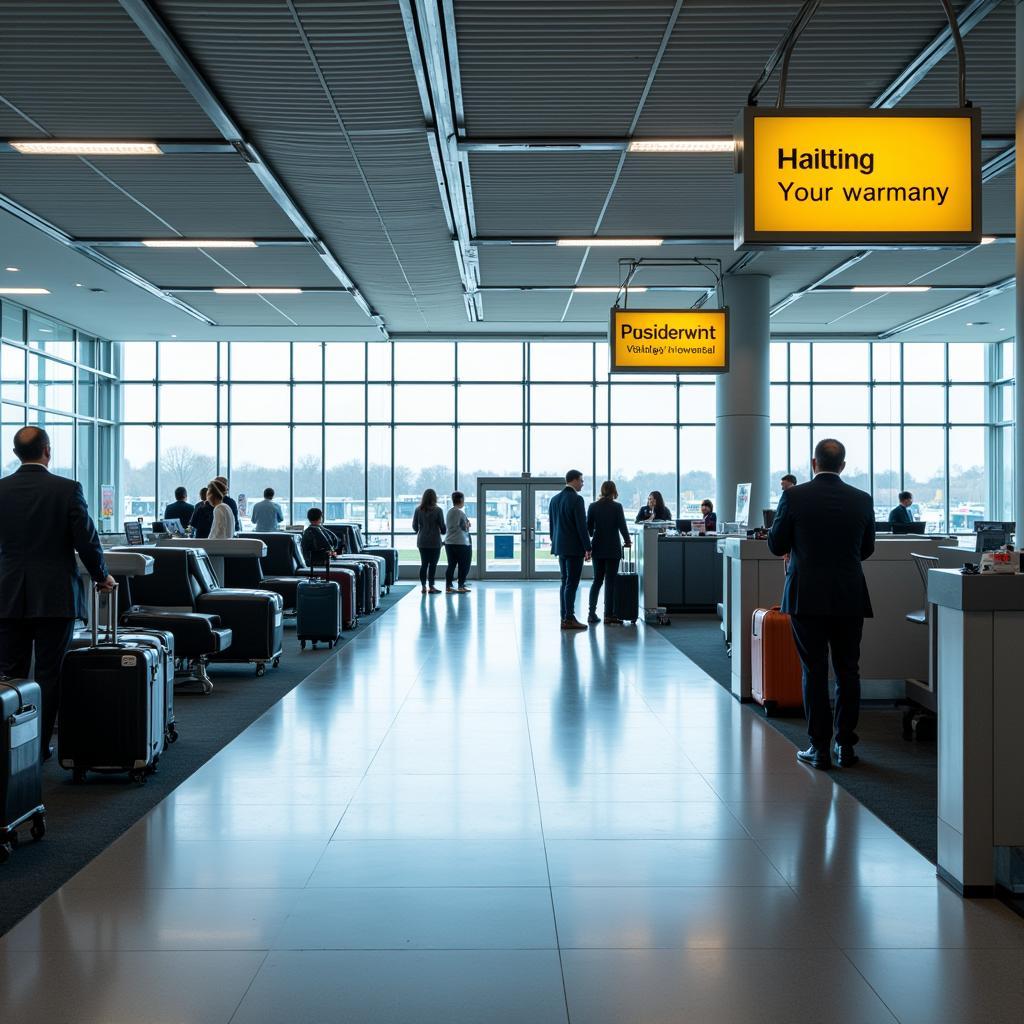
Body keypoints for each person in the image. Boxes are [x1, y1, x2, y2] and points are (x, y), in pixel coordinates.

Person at [0, 426, 115, 760]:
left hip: (7, 594)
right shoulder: (66, 489)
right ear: (47, 450)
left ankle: (10, 745)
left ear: (15, 453)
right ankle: (38, 746)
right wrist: (102, 576)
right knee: (50, 672)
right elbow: (86, 541)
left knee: (10, 672)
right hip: (54, 596)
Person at [767, 438, 875, 771]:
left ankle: (819, 748)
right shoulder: (862, 500)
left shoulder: (794, 496)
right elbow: (867, 548)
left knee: (813, 671)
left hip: (806, 595)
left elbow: (776, 544)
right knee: (848, 670)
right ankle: (845, 746)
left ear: (814, 463)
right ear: (842, 466)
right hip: (849, 594)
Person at [549, 469, 592, 630]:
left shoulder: (554, 500)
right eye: (581, 480)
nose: (582, 483)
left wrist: (556, 542)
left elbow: (552, 526)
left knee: (564, 582)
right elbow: (582, 527)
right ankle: (569, 618)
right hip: (574, 549)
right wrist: (588, 547)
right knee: (572, 583)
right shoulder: (577, 499)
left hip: (561, 547)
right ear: (573, 480)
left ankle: (564, 616)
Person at [586, 480, 630, 625]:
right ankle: (608, 615)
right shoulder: (617, 507)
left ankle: (591, 613)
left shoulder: (593, 506)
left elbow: (589, 529)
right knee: (610, 582)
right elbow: (622, 526)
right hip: (612, 548)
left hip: (597, 548)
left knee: (597, 581)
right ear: (614, 491)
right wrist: (628, 541)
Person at [412, 488, 446, 594]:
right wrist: (442, 530)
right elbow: (443, 529)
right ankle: (431, 587)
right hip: (435, 542)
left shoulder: (418, 510)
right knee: (433, 565)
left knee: (424, 564)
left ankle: (423, 586)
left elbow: (414, 526)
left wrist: (419, 529)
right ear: (435, 497)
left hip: (422, 541)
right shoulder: (438, 510)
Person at [444, 491, 472, 594]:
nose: (463, 502)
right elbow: (464, 527)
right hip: (460, 542)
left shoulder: (449, 512)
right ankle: (461, 585)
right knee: (463, 565)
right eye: (463, 500)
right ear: (460, 500)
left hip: (449, 542)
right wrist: (467, 525)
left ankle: (448, 586)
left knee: (451, 564)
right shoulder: (460, 513)